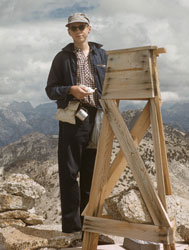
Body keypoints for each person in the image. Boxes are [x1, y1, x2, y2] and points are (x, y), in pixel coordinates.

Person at [45, 13, 108, 235]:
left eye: (81, 26)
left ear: (89, 29)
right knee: (70, 172)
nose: (78, 31)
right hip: (73, 118)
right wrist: (71, 90)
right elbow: (51, 90)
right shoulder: (61, 58)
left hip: (98, 117)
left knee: (93, 172)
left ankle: (90, 229)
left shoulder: (102, 54)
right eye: (73, 28)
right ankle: (72, 229)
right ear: (69, 32)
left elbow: (113, 82)